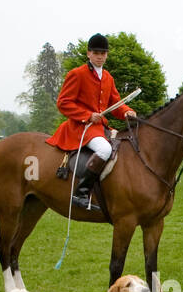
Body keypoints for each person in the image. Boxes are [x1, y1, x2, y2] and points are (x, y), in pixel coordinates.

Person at [46, 33, 138, 211]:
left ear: (107, 55)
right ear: (88, 53)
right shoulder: (77, 74)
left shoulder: (108, 77)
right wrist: (88, 115)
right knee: (105, 149)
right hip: (80, 127)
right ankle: (81, 193)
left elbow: (115, 104)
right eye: (96, 53)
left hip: (100, 127)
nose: (100, 56)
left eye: (103, 53)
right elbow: (63, 103)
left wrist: (127, 112)